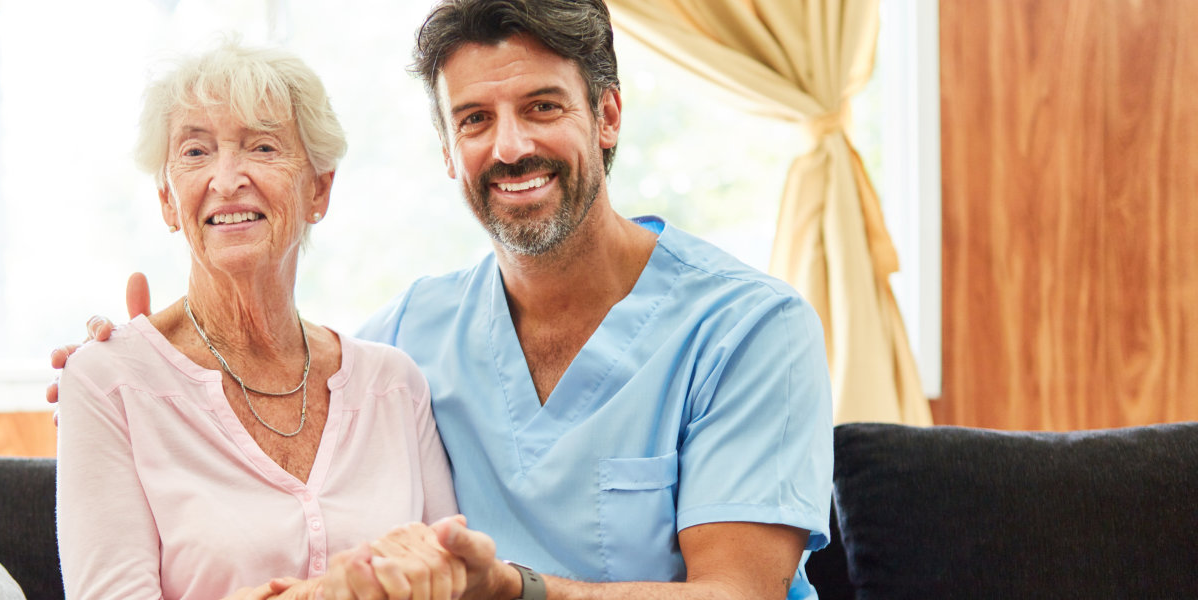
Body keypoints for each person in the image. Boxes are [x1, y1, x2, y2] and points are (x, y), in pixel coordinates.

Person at [52, 1, 835, 598]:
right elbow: (259, 388)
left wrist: (516, 590)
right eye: (474, 120)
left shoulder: (750, 331)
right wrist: (137, 370)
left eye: (543, 107)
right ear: (446, 150)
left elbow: (738, 593)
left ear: (607, 116)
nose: (510, 147)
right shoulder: (407, 344)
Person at [54, 40, 489, 600]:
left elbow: (450, 581)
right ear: (167, 200)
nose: (227, 177)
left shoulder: (394, 385)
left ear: (320, 190)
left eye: (262, 146)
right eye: (195, 152)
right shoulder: (105, 382)